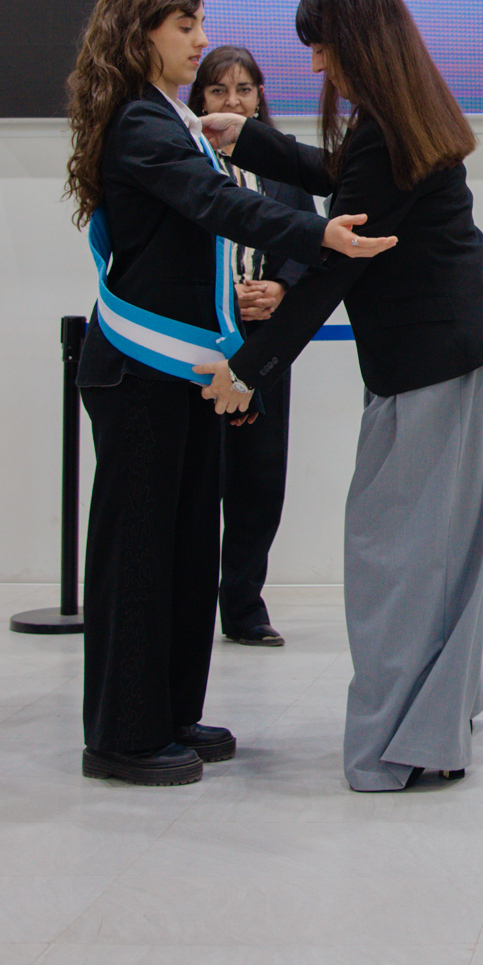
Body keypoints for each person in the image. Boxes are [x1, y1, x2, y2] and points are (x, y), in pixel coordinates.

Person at [64, 0, 387, 787]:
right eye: (185, 25)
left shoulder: (169, 117)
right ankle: (123, 733)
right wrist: (319, 234)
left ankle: (170, 712)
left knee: (183, 549)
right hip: (138, 370)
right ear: (140, 33)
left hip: (177, 370)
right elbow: (213, 202)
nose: (201, 39)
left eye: (200, 22)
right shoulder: (140, 121)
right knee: (138, 554)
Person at [203, 0, 483, 790]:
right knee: (441, 554)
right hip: (461, 348)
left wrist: (251, 368)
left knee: (394, 556)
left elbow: (336, 262)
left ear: (359, 42)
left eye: (323, 46)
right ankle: (434, 724)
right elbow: (347, 178)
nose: (315, 65)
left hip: (430, 361)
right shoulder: (406, 112)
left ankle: (397, 746)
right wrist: (248, 136)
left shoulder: (384, 129)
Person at [187, 44, 311, 647]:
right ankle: (186, 606)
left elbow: (309, 241)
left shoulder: (284, 161)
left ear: (260, 97)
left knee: (259, 480)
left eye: (243, 89)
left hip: (266, 344)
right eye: (218, 89)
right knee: (196, 478)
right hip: (201, 340)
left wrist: (280, 288)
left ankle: (243, 607)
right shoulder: (184, 158)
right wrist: (220, 295)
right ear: (199, 98)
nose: (232, 101)